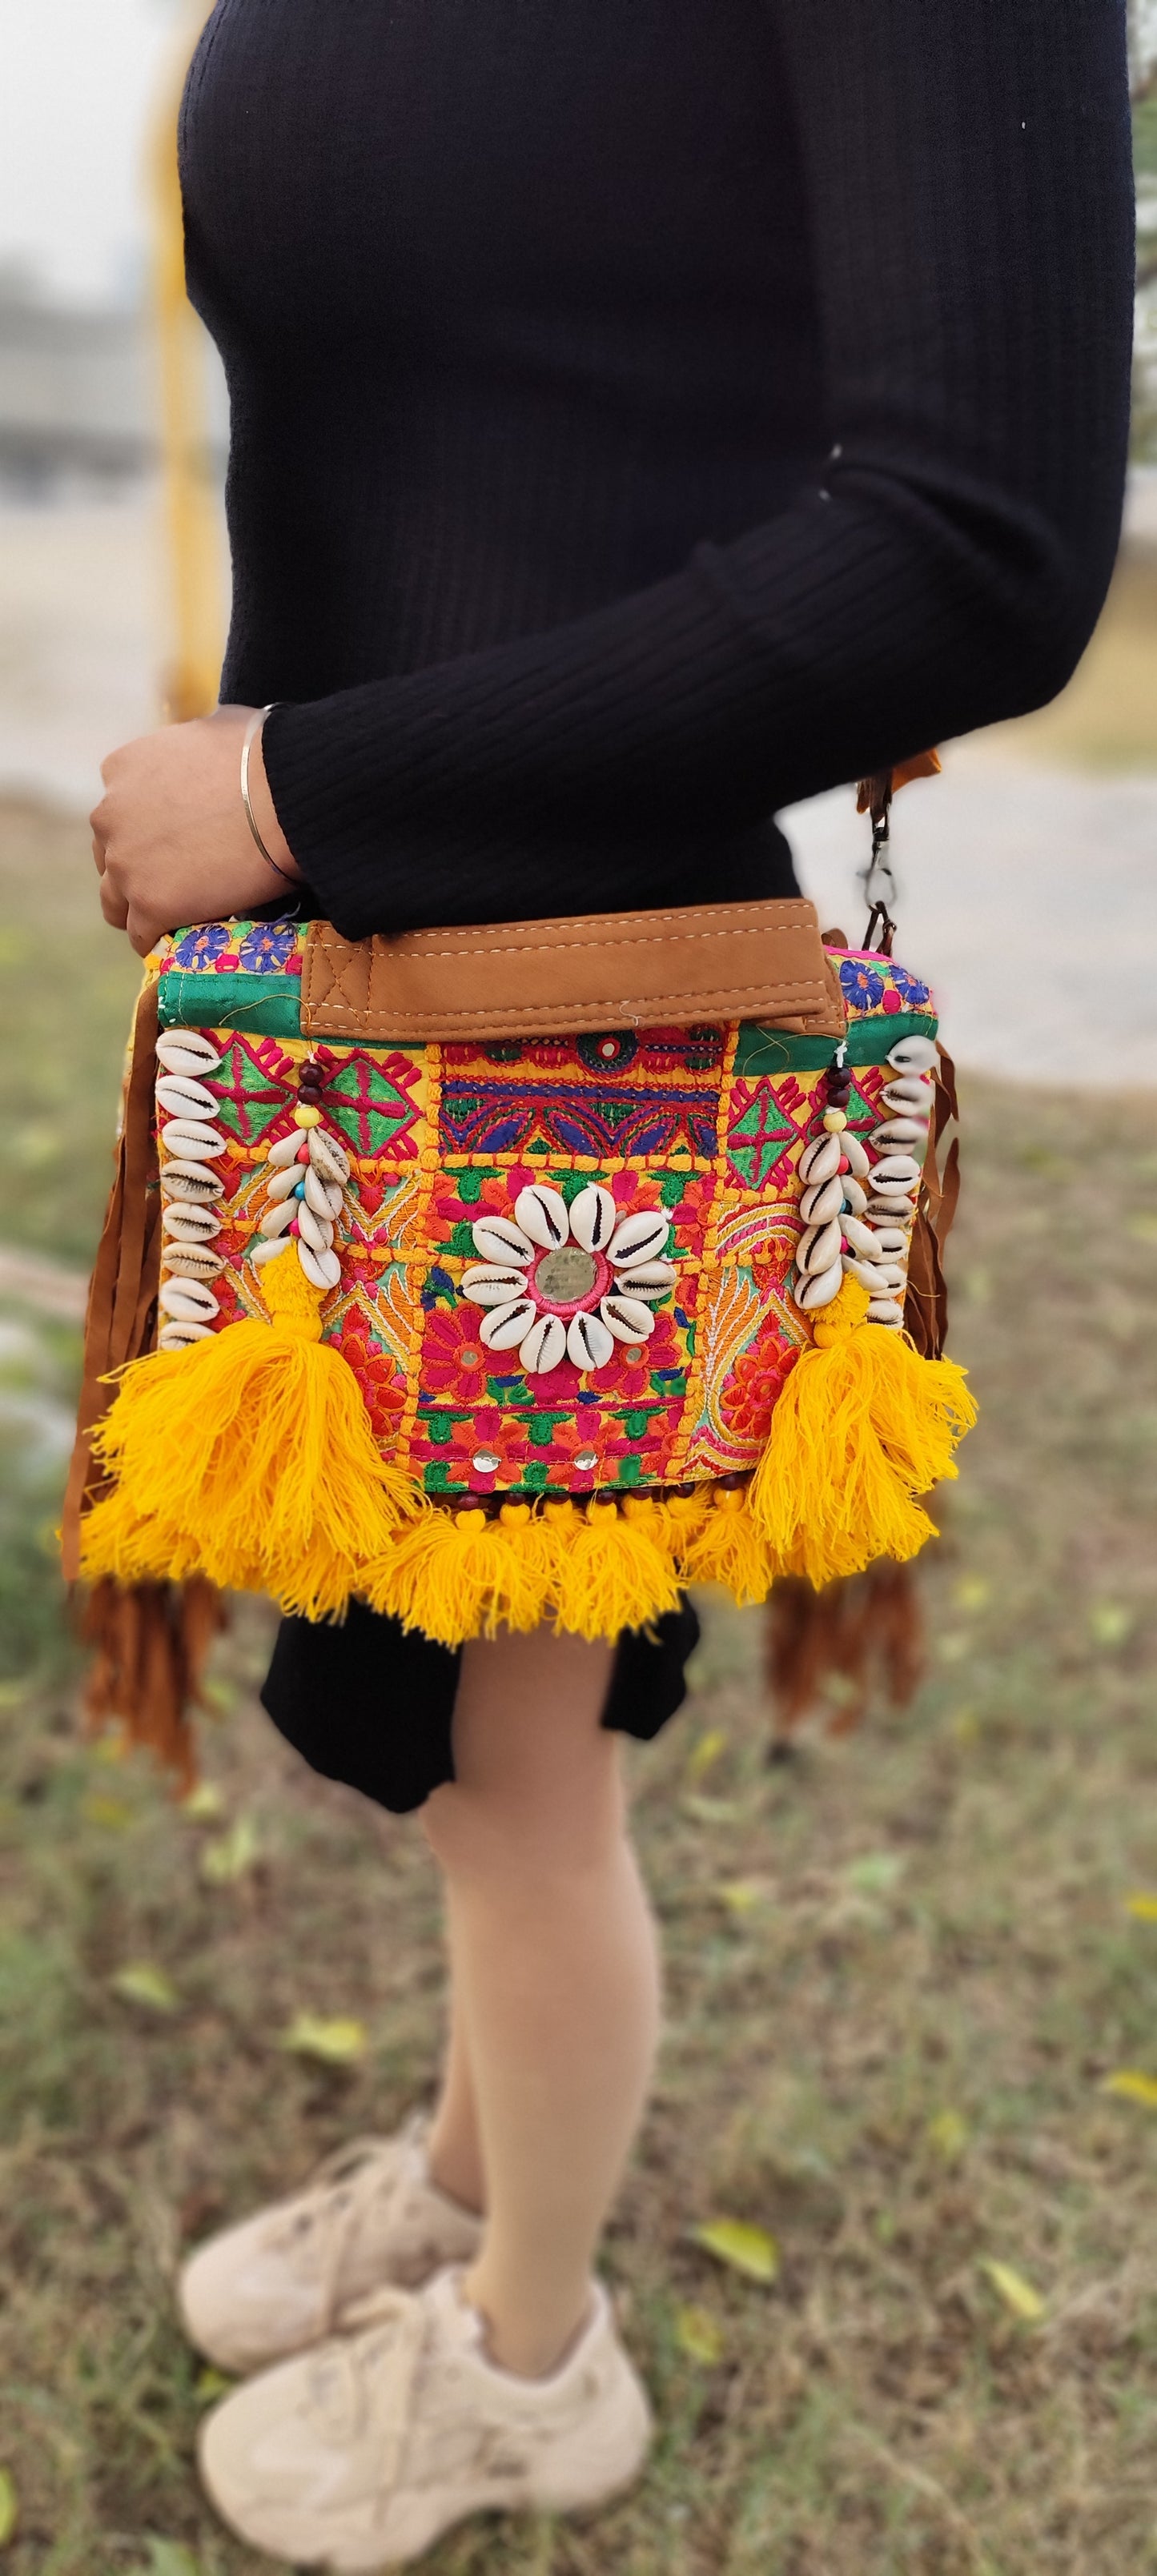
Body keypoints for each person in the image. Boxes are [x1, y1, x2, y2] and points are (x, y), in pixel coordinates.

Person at [89, 0, 1133, 2561]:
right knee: (472, 1761)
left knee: (522, 1783)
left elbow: (972, 544)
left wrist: (292, 787)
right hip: (372, 982)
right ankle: (465, 2183)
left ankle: (531, 2353)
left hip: (580, 1024)